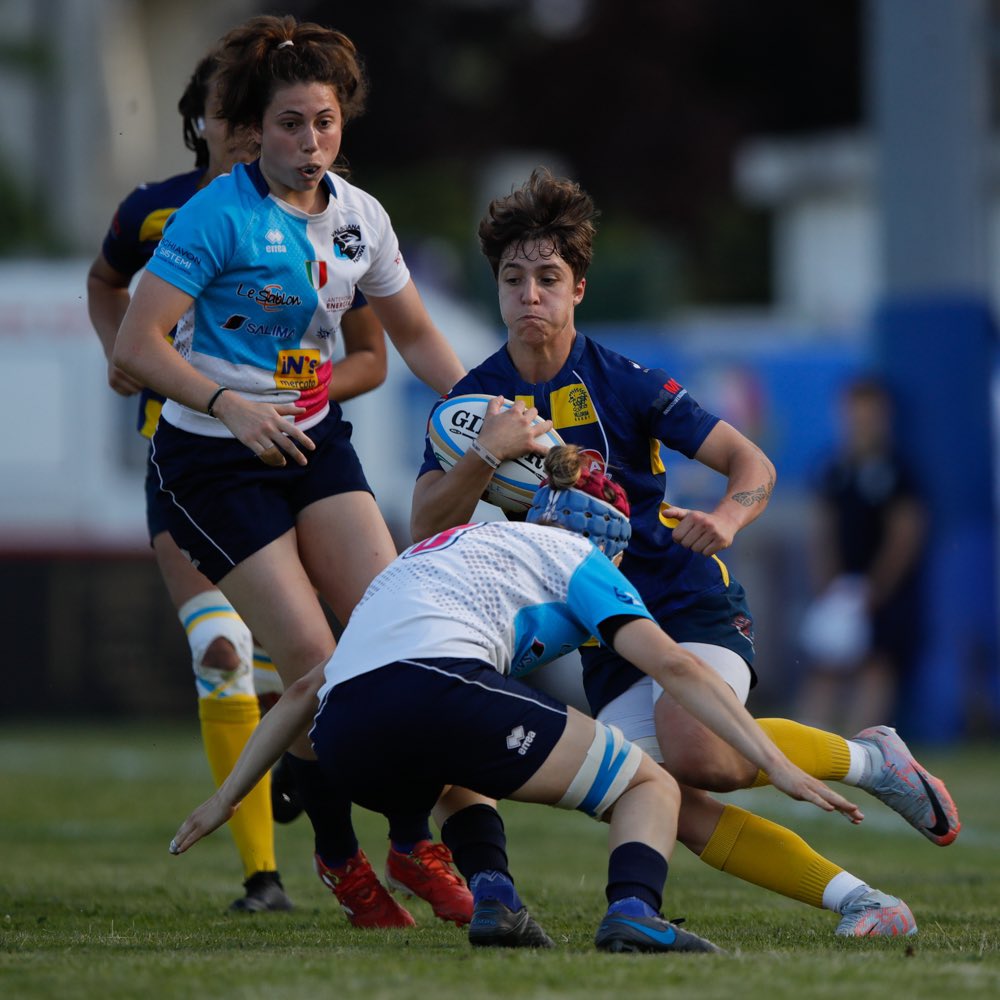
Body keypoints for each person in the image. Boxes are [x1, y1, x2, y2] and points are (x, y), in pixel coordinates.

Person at [410, 168, 959, 937]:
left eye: (548, 278)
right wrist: (483, 456)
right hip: (598, 631)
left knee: (698, 748)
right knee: (658, 790)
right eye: (512, 279)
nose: (529, 295)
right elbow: (423, 522)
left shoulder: (624, 380)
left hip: (680, 598)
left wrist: (729, 519)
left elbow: (751, 464)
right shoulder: (472, 404)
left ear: (579, 289)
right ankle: (861, 902)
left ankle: (868, 761)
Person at [170, 444, 863, 952]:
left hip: (347, 741)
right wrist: (778, 764)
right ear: (608, 531)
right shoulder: (581, 560)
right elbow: (677, 668)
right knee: (649, 784)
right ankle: (634, 911)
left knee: (464, 758)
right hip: (433, 686)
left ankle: (493, 895)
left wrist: (225, 798)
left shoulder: (438, 549)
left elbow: (301, 690)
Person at [111, 14, 474, 929]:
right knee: (313, 665)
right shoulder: (213, 214)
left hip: (313, 444)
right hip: (211, 461)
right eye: (288, 125)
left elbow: (417, 338)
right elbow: (135, 341)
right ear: (251, 127)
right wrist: (230, 403)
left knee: (397, 636)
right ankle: (341, 860)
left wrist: (491, 411)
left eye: (324, 122)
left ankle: (405, 837)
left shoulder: (360, 217)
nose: (309, 142)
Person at [796, 376, 928, 733]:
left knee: (877, 664)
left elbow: (905, 532)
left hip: (881, 587)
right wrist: (825, 579)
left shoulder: (897, 470)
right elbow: (823, 526)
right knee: (825, 661)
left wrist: (880, 585)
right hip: (842, 585)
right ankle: (810, 740)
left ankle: (861, 747)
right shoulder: (833, 468)